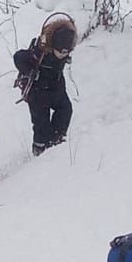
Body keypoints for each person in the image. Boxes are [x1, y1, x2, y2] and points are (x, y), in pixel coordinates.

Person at [13, 14, 76, 156]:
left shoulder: (64, 49)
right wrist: (30, 72)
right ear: (53, 45)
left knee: (65, 110)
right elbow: (18, 57)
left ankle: (57, 140)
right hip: (37, 93)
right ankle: (40, 150)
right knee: (41, 124)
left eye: (67, 52)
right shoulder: (39, 52)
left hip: (56, 88)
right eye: (61, 52)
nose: (64, 55)